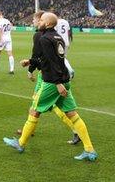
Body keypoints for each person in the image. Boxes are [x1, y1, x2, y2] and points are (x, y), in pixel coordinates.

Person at [4, 12, 97, 161]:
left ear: (47, 24)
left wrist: (58, 83)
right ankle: (90, 150)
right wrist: (31, 62)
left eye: (41, 20)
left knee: (34, 111)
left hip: (52, 82)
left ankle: (20, 144)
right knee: (72, 114)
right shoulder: (57, 37)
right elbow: (54, 61)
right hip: (64, 79)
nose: (39, 21)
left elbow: (52, 62)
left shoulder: (44, 38)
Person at [19, 11, 80, 145]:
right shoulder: (55, 35)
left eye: (36, 20)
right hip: (55, 73)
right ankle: (28, 131)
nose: (34, 22)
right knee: (49, 105)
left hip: (47, 76)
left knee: (39, 105)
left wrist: (30, 69)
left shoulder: (39, 36)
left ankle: (24, 138)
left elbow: (39, 56)